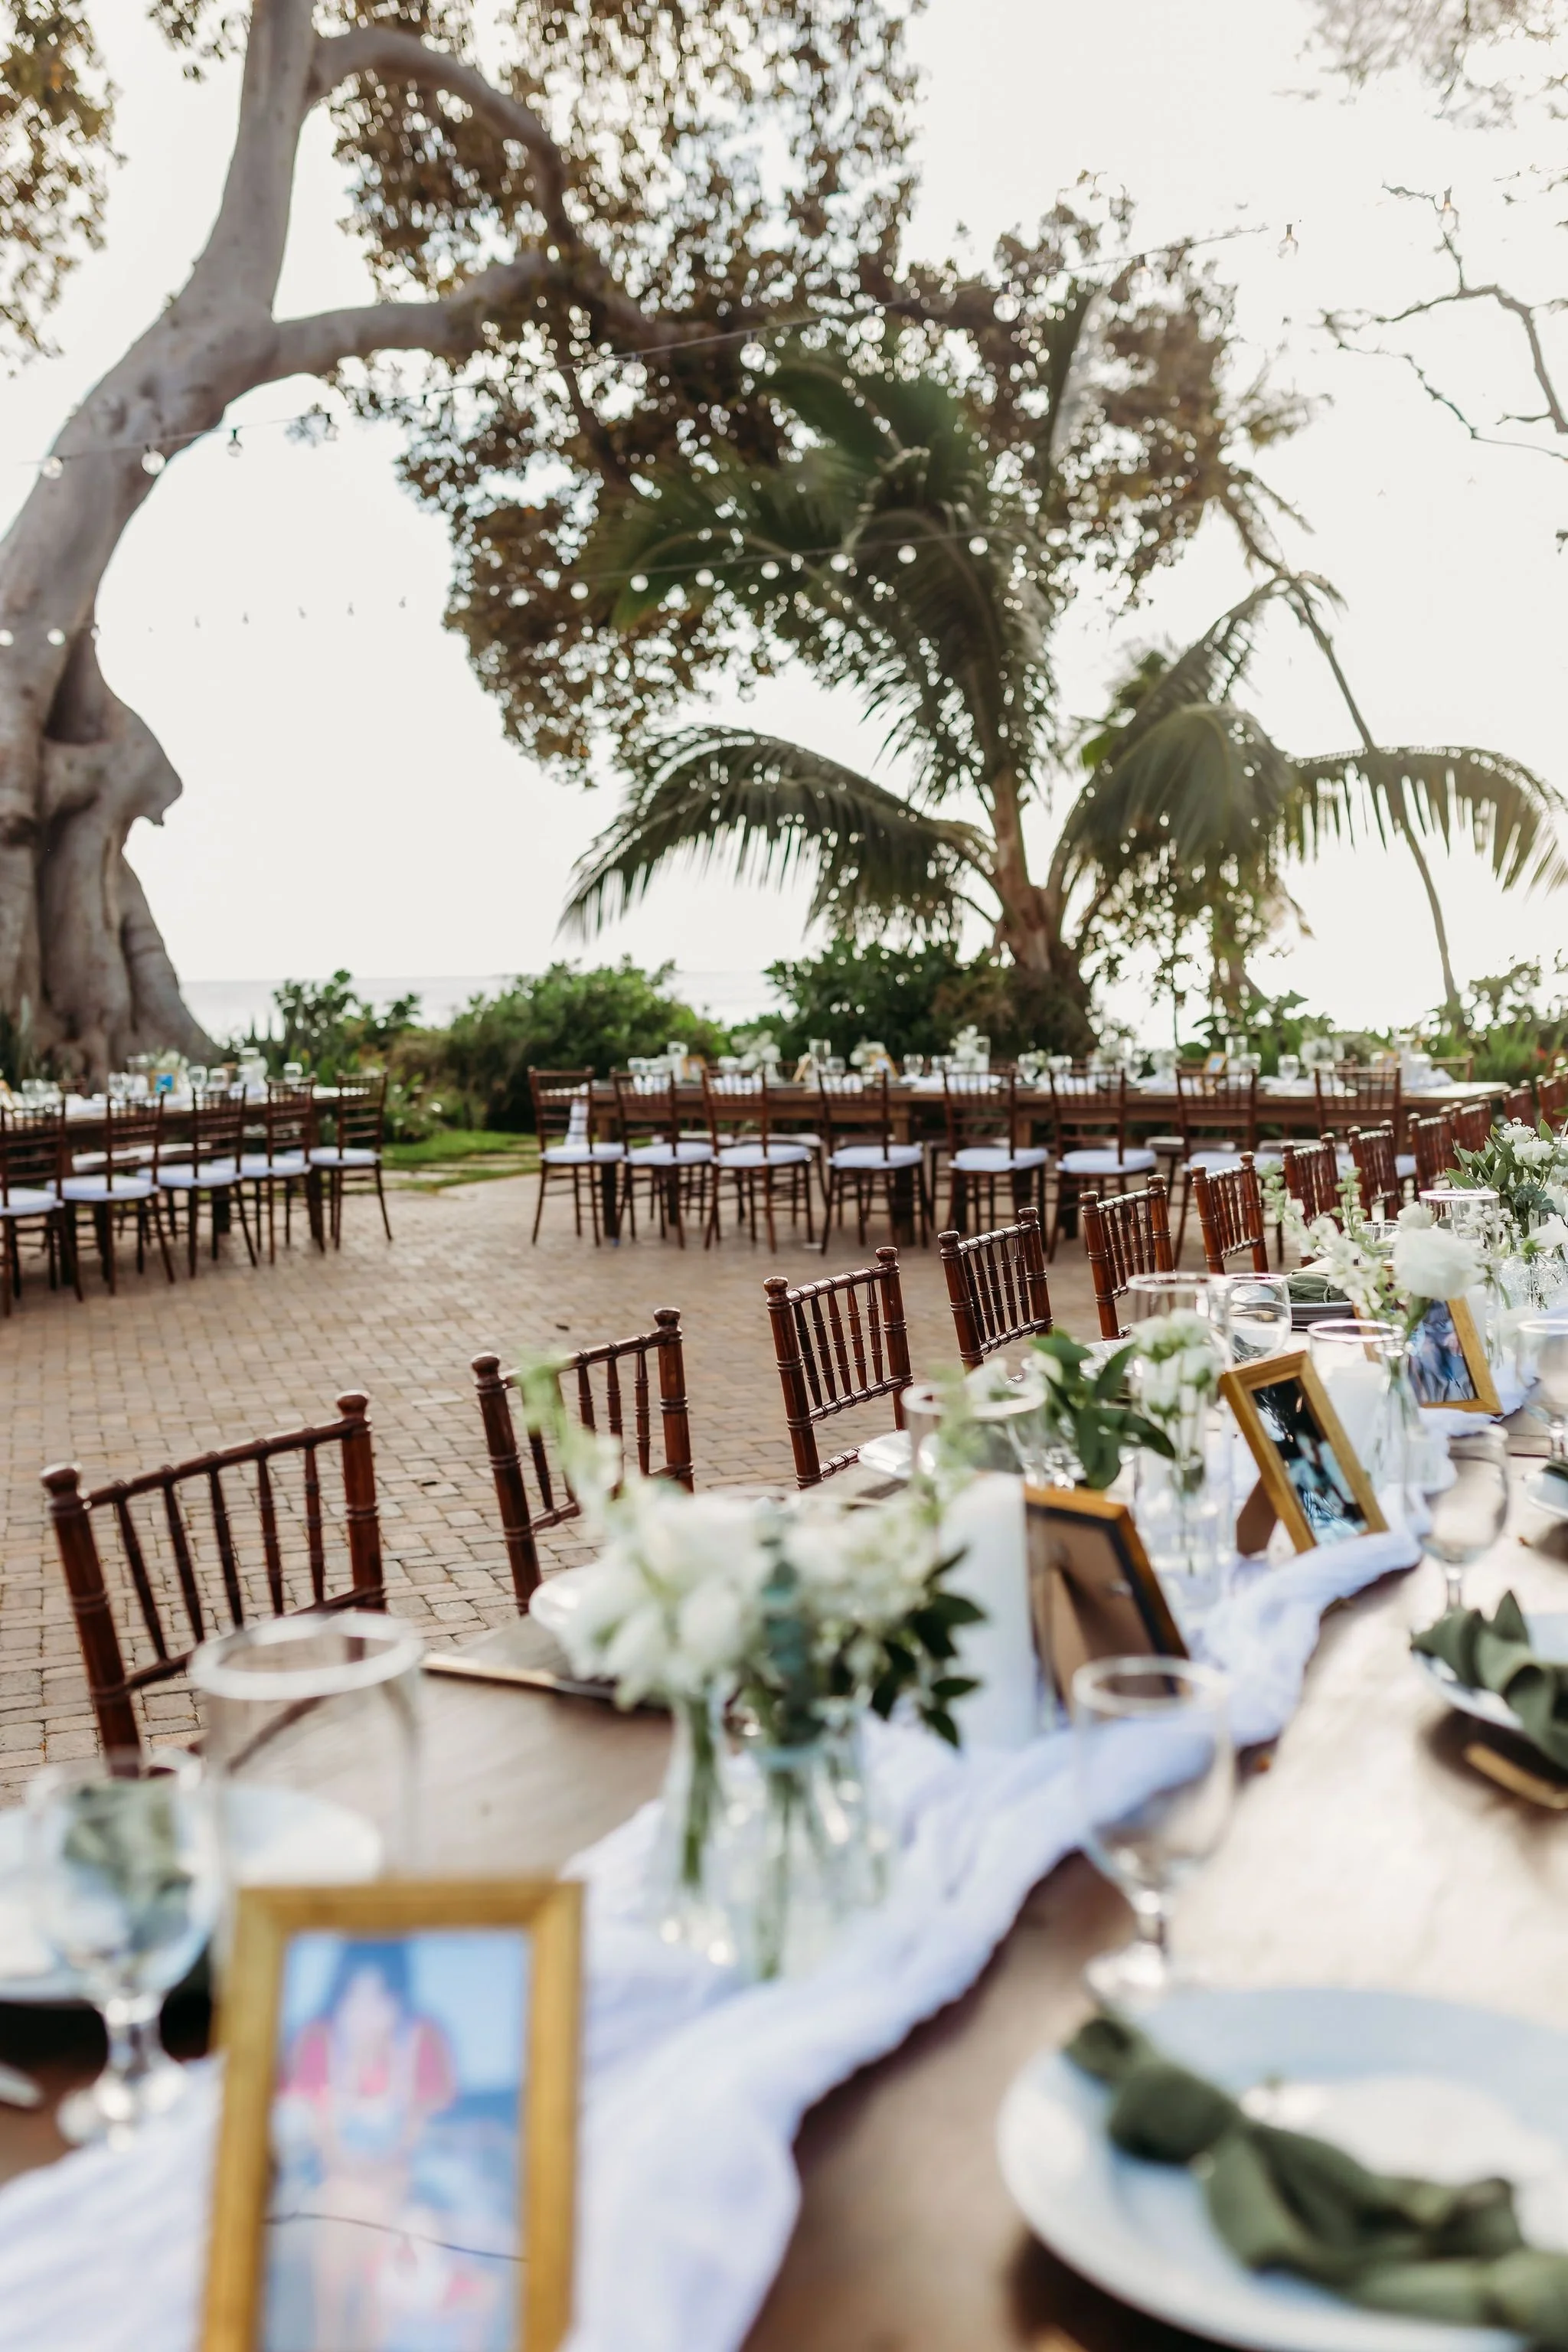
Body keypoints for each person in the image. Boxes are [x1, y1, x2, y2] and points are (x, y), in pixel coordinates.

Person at [273, 1940, 458, 2352]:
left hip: (399, 2181)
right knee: (339, 2235)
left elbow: (416, 2131)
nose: (365, 2012)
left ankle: (370, 2330)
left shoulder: (422, 2039)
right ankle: (329, 2334)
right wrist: (346, 2173)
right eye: (353, 1996)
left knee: (381, 2260)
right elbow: (321, 2134)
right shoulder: (318, 2040)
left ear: (399, 1999)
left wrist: (387, 2177)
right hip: (333, 2176)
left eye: (379, 1998)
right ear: (338, 1996)